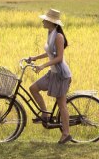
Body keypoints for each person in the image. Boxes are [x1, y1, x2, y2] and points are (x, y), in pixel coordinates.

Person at [26, 8, 73, 144]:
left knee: (61, 104)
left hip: (60, 75)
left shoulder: (58, 36)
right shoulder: (50, 33)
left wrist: (42, 66)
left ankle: (66, 133)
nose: (42, 21)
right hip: (52, 72)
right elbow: (50, 52)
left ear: (51, 22)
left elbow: (59, 57)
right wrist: (35, 57)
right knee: (33, 88)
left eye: (45, 20)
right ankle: (45, 114)